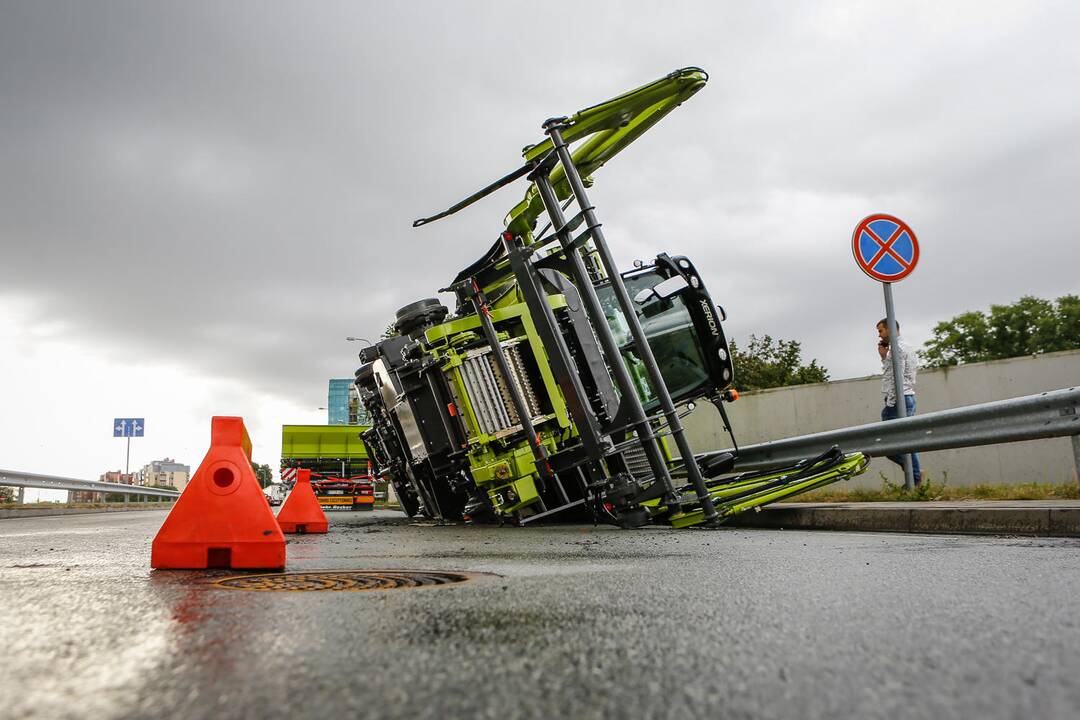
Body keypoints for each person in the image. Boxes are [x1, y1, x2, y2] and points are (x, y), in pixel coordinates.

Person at [877, 318, 922, 485]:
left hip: (899, 399)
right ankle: (914, 475)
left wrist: (890, 402)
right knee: (903, 442)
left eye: (881, 331)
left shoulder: (897, 349)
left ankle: (915, 475)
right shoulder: (906, 347)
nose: (880, 335)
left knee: (887, 445)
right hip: (907, 396)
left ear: (890, 329)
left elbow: (898, 377)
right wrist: (884, 358)